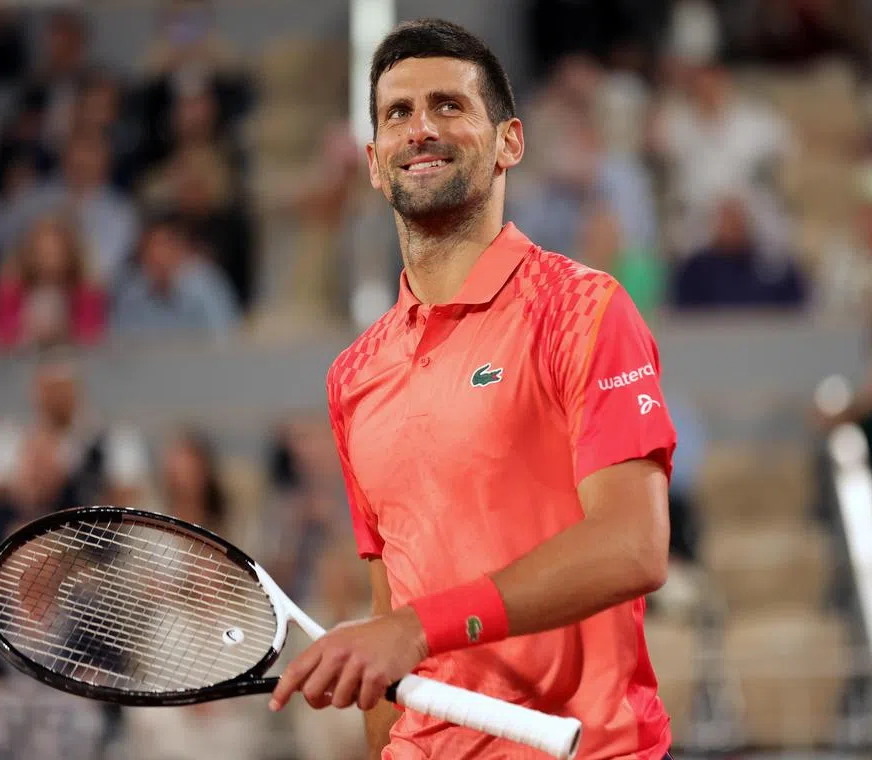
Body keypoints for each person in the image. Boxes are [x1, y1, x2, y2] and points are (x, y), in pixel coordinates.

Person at [267, 18, 677, 760]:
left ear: (509, 143)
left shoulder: (584, 308)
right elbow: (388, 604)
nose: (420, 128)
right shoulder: (352, 376)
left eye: (448, 106)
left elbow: (634, 545)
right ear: (372, 161)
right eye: (398, 113)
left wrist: (419, 629)